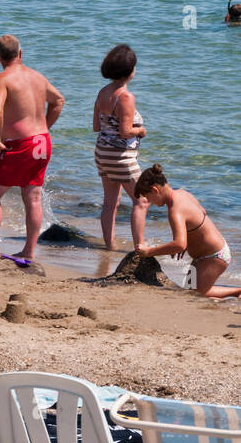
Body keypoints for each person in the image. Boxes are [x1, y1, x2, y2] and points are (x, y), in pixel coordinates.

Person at [0, 35, 65, 261]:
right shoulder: (37, 77)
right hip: (42, 142)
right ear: (20, 53)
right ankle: (29, 251)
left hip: (20, 145)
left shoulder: (2, 78)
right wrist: (44, 127)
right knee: (33, 197)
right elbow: (58, 101)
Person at [134, 164, 240, 299]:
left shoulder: (175, 210)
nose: (149, 202)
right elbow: (201, 212)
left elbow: (179, 244)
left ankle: (237, 291)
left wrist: (149, 251)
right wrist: (189, 237)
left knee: (197, 294)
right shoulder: (183, 194)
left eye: (148, 198)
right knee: (188, 290)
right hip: (205, 255)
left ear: (155, 190)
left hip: (214, 256)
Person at [92, 43, 149, 249]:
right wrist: (140, 131)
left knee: (110, 202)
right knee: (142, 200)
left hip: (102, 153)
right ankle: (139, 248)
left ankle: (110, 245)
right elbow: (125, 131)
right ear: (130, 71)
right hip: (121, 156)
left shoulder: (102, 92)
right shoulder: (126, 97)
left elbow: (96, 126)